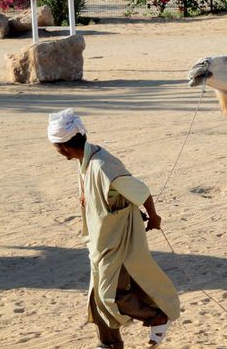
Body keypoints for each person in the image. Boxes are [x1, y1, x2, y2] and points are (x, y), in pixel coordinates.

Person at [48, 108, 180, 348]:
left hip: (117, 242)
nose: (56, 151)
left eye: (55, 147)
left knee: (111, 296)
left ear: (64, 146)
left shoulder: (102, 166)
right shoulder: (85, 160)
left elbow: (141, 191)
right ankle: (109, 344)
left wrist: (154, 217)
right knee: (96, 298)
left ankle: (156, 317)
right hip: (99, 241)